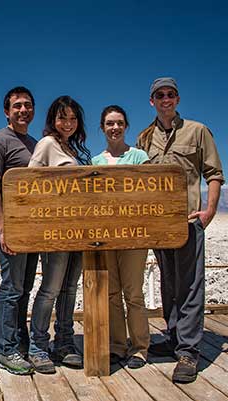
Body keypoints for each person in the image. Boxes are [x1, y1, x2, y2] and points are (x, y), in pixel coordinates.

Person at [137, 77, 224, 383]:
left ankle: (188, 351)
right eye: (159, 95)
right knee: (169, 285)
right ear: (152, 101)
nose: (165, 99)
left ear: (177, 98)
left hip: (188, 221)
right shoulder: (145, 138)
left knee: (189, 285)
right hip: (159, 224)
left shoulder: (197, 131)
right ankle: (174, 339)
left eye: (170, 94)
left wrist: (209, 211)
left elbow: (213, 173)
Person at [27, 96, 91, 374]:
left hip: (79, 230)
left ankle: (64, 342)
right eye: (63, 117)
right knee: (51, 288)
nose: (68, 123)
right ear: (53, 120)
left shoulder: (72, 150)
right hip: (55, 231)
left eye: (73, 118)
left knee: (69, 288)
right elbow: (29, 183)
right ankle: (38, 345)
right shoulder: (47, 145)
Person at [0, 86, 39, 375]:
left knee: (25, 289)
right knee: (11, 288)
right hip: (12, 229)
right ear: (7, 111)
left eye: (27, 105)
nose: (22, 110)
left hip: (33, 230)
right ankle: (6, 350)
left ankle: (20, 342)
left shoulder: (35, 144)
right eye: (17, 106)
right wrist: (3, 228)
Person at [93, 105, 150, 369]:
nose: (114, 128)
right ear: (102, 128)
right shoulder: (95, 163)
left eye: (119, 123)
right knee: (112, 293)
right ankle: (117, 345)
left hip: (134, 236)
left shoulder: (139, 157)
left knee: (134, 293)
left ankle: (139, 348)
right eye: (109, 123)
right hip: (106, 237)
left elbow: (150, 192)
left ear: (126, 126)